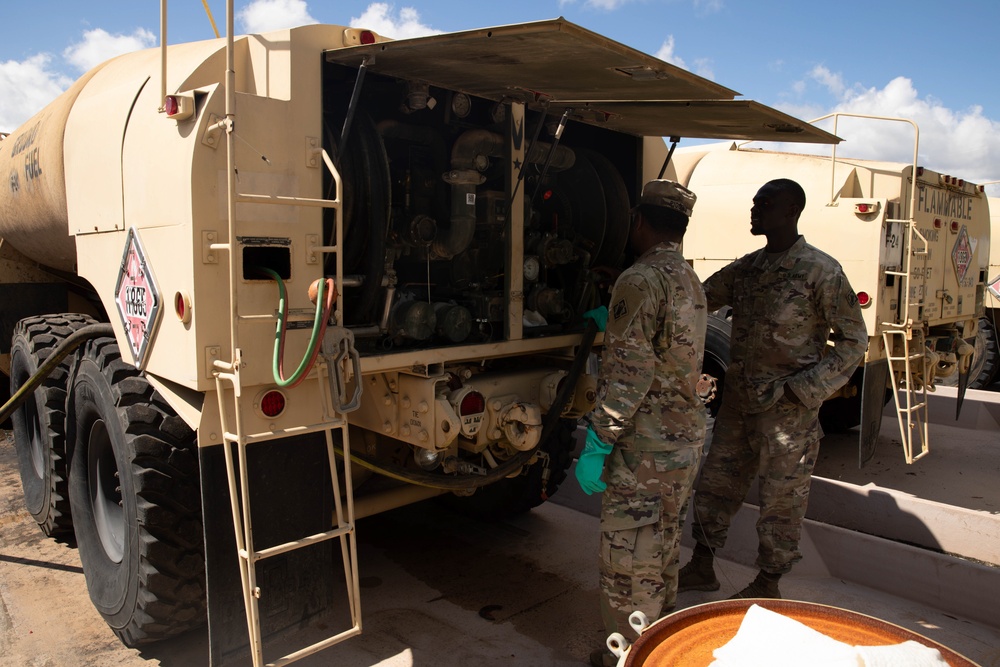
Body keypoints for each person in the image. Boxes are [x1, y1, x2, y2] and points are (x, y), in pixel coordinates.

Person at [678, 178, 867, 600]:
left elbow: (855, 342)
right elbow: (698, 297)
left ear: (791, 212)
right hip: (739, 405)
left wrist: (803, 389)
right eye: (754, 202)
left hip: (787, 413)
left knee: (781, 502)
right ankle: (703, 566)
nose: (754, 210)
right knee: (714, 487)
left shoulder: (821, 270)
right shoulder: (750, 268)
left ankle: (768, 584)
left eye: (764, 204)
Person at [576, 180, 708, 667]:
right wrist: (616, 315)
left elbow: (632, 375)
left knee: (627, 561)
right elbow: (665, 345)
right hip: (682, 439)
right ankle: (660, 649)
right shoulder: (686, 276)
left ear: (638, 221)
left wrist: (598, 441)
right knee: (661, 549)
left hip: (645, 448)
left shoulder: (640, 279)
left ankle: (625, 656)